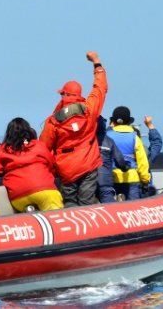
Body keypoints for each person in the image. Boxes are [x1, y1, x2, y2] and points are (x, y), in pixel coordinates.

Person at [40, 51, 108, 207]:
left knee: (69, 203)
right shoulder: (90, 109)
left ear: (64, 95)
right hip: (89, 165)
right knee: (86, 203)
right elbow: (101, 87)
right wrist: (96, 62)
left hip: (66, 168)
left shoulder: (52, 121)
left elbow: (44, 149)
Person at [0, 118, 63, 212]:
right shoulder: (38, 145)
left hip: (18, 195)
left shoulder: (1, 149)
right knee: (56, 218)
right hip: (44, 190)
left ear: (9, 133)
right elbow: (51, 162)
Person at [105, 106, 151, 201]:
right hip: (131, 179)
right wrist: (145, 181)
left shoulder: (106, 136)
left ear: (113, 121)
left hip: (112, 178)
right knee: (133, 209)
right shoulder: (135, 137)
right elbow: (142, 162)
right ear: (129, 121)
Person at [95, 116, 130, 203]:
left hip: (88, 182)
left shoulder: (86, 141)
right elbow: (120, 161)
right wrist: (127, 166)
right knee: (109, 204)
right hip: (105, 181)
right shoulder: (109, 141)